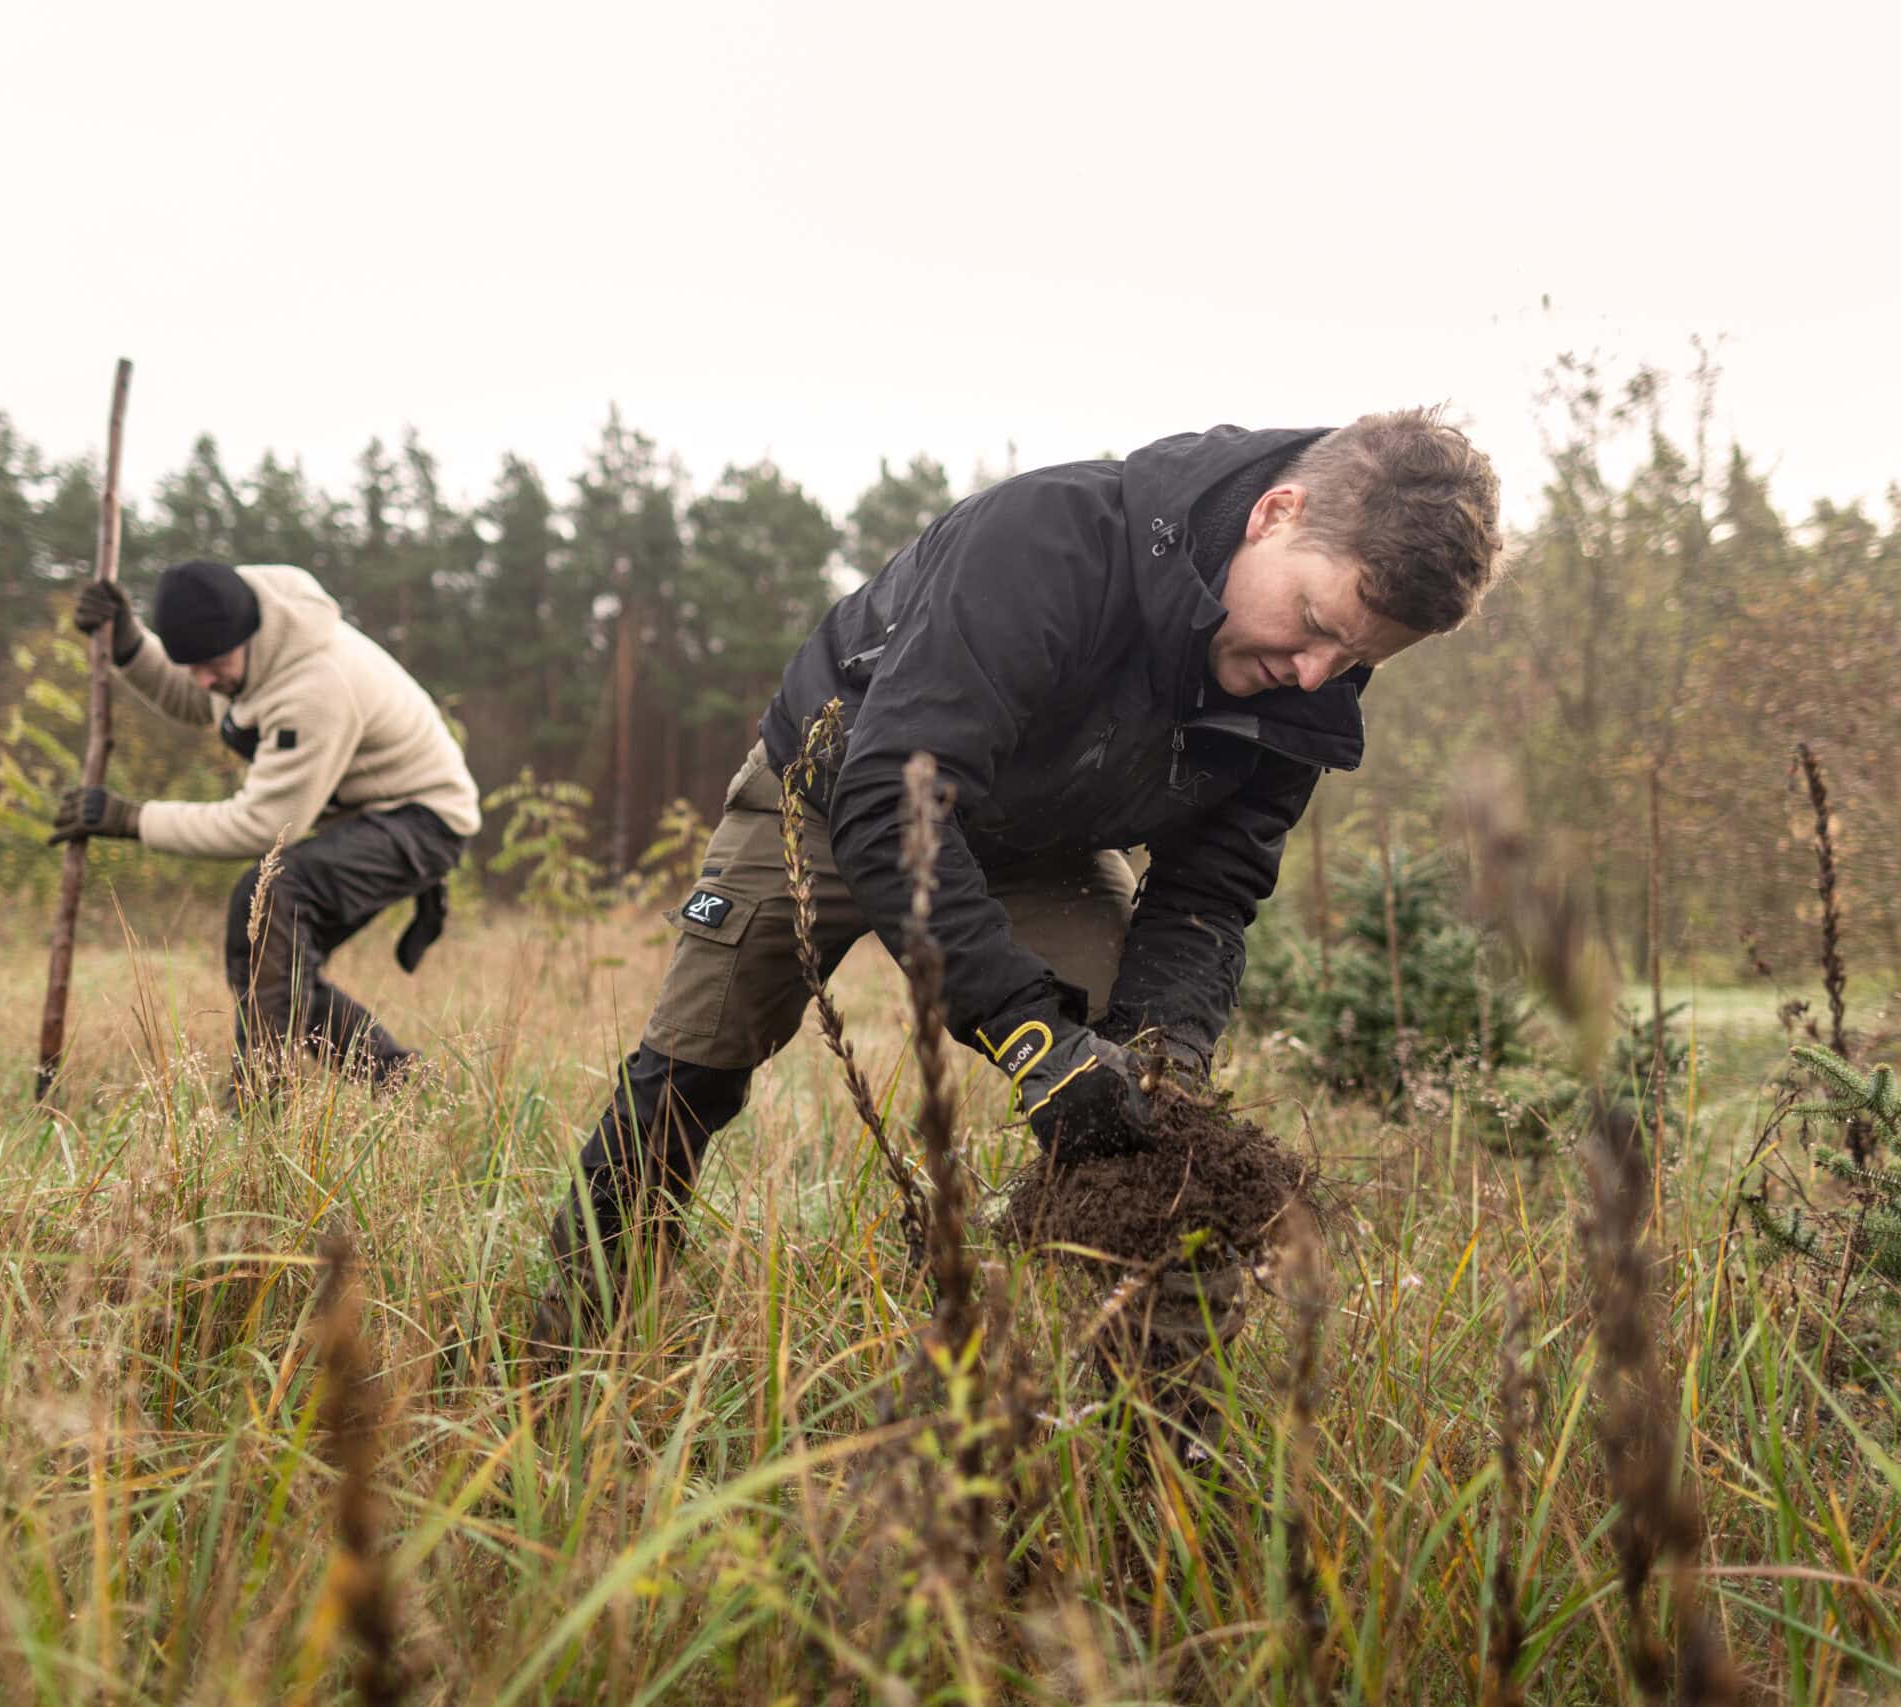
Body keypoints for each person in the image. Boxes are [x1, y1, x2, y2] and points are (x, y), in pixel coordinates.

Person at [537, 411, 1504, 1385]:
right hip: (842, 794)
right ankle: (576, 1336)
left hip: (1048, 843)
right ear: (1274, 514)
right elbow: (893, 801)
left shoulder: (1305, 685)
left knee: (1149, 1104)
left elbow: (1212, 889)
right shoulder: (1048, 543)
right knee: (694, 1065)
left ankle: (1152, 1413)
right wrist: (1025, 1032)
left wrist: (1156, 1059)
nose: (1310, 675)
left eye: (1352, 662)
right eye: (1314, 626)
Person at [52, 560, 481, 1092]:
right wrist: (128, 645)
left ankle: (260, 1102)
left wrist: (133, 819)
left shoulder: (317, 685)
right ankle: (400, 1081)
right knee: (269, 951)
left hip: (425, 820)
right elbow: (198, 698)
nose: (205, 679)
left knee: (273, 894)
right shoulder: (248, 639)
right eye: (193, 665)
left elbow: (263, 826)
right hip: (371, 813)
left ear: (246, 635)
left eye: (212, 663)